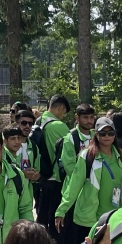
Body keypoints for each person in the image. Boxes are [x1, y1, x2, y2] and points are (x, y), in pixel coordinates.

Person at [56, 116, 122, 244]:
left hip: (114, 215)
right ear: (96, 134)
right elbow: (74, 185)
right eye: (102, 133)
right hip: (90, 218)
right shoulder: (87, 156)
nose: (107, 136)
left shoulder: (120, 156)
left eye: (110, 133)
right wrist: (62, 210)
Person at [33, 95, 72, 232]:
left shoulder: (38, 121)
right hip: (57, 178)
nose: (63, 116)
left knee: (41, 217)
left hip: (41, 176)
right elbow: (70, 151)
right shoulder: (59, 126)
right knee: (55, 221)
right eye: (63, 113)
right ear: (60, 108)